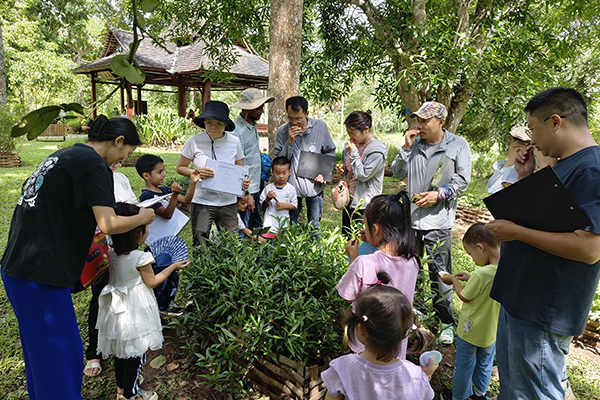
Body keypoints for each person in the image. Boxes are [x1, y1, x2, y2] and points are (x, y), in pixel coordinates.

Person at [0, 115, 155, 400]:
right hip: (40, 274)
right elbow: (108, 223)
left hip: (19, 268)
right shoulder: (94, 164)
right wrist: (143, 217)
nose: (123, 160)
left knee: (42, 359)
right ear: (118, 141)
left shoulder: (67, 155)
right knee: (61, 361)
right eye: (127, 152)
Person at [487, 87, 600, 400]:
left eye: (532, 128)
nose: (531, 139)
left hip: (543, 308)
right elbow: (547, 219)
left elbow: (590, 249)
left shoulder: (591, 169)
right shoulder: (565, 164)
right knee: (514, 389)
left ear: (555, 122)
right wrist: (526, 177)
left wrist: (516, 232)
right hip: (521, 297)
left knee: (534, 393)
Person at [391, 101, 471, 344]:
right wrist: (406, 148)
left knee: (440, 272)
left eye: (425, 120)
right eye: (418, 120)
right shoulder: (414, 144)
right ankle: (417, 311)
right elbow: (397, 172)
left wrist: (439, 194)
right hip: (411, 220)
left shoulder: (457, 145)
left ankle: (445, 321)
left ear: (441, 122)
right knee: (411, 267)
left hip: (438, 221)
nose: (419, 125)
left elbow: (463, 180)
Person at [96, 203, 189, 400]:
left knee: (121, 352)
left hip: (116, 310)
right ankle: (132, 394)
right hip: (135, 310)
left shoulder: (111, 253)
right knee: (137, 354)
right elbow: (152, 282)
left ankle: (121, 389)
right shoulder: (141, 257)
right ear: (138, 234)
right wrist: (171, 268)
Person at [337, 191, 420, 360]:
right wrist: (372, 239)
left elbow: (347, 295)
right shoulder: (413, 261)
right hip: (396, 343)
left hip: (365, 345)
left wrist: (353, 258)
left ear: (375, 229)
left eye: (366, 226)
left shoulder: (364, 263)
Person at [322, 280, 437, 400]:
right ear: (403, 332)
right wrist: (426, 376)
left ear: (361, 328)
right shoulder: (416, 376)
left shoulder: (342, 368)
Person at [84, 160, 139, 378]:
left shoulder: (121, 179)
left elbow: (133, 205)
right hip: (102, 247)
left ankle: (121, 344)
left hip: (124, 246)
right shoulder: (91, 179)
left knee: (125, 295)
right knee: (100, 297)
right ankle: (94, 352)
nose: (120, 161)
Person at [176, 101, 251, 246]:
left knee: (231, 244)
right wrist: (196, 173)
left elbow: (240, 168)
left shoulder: (234, 142)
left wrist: (245, 181)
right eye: (209, 122)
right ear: (204, 122)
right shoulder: (194, 141)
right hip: (202, 201)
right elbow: (180, 167)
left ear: (225, 124)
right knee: (201, 243)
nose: (213, 127)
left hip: (228, 202)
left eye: (218, 123)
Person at [440, 223, 500, 400]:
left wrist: (453, 281)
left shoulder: (482, 274)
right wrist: (470, 278)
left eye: (471, 254)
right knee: (485, 364)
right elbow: (486, 287)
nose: (473, 259)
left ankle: (459, 396)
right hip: (491, 332)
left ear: (480, 247)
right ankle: (480, 394)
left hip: (470, 331)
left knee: (464, 366)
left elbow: (465, 296)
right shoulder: (505, 268)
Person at [136, 154, 199, 314]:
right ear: (146, 175)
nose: (163, 174)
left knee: (173, 273)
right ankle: (159, 307)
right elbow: (167, 214)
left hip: (169, 242)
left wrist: (192, 183)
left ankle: (169, 303)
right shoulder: (147, 196)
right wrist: (174, 196)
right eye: (159, 172)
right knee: (161, 273)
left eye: (163, 170)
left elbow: (186, 199)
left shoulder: (164, 190)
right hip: (157, 245)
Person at [274, 96, 336, 232]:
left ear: (307, 114)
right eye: (290, 118)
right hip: (291, 186)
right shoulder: (282, 131)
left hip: (314, 185)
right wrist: (289, 142)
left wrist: (324, 174)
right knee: (291, 224)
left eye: (298, 118)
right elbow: (280, 160)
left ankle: (314, 244)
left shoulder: (320, 127)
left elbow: (330, 151)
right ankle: (292, 245)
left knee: (314, 224)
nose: (294, 122)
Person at [336, 110, 387, 238]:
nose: (350, 136)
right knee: (347, 238)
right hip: (348, 199)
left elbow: (363, 175)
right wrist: (344, 171)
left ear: (366, 129)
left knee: (362, 240)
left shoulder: (377, 149)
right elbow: (351, 169)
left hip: (365, 203)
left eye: (353, 133)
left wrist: (353, 152)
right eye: (348, 132)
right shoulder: (351, 145)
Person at [231, 88, 275, 230]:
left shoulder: (252, 125)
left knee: (255, 227)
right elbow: (236, 165)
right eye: (259, 107)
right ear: (247, 109)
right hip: (244, 190)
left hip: (256, 185)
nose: (262, 111)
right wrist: (246, 194)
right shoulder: (236, 131)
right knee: (242, 229)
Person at [260, 156, 298, 236]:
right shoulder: (268, 188)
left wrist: (285, 206)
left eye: (284, 173)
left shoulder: (291, 189)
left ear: (289, 172)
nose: (281, 176)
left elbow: (294, 206)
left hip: (284, 225)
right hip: (269, 225)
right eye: (277, 173)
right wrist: (267, 199)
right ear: (272, 172)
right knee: (269, 242)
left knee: (281, 241)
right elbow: (262, 206)